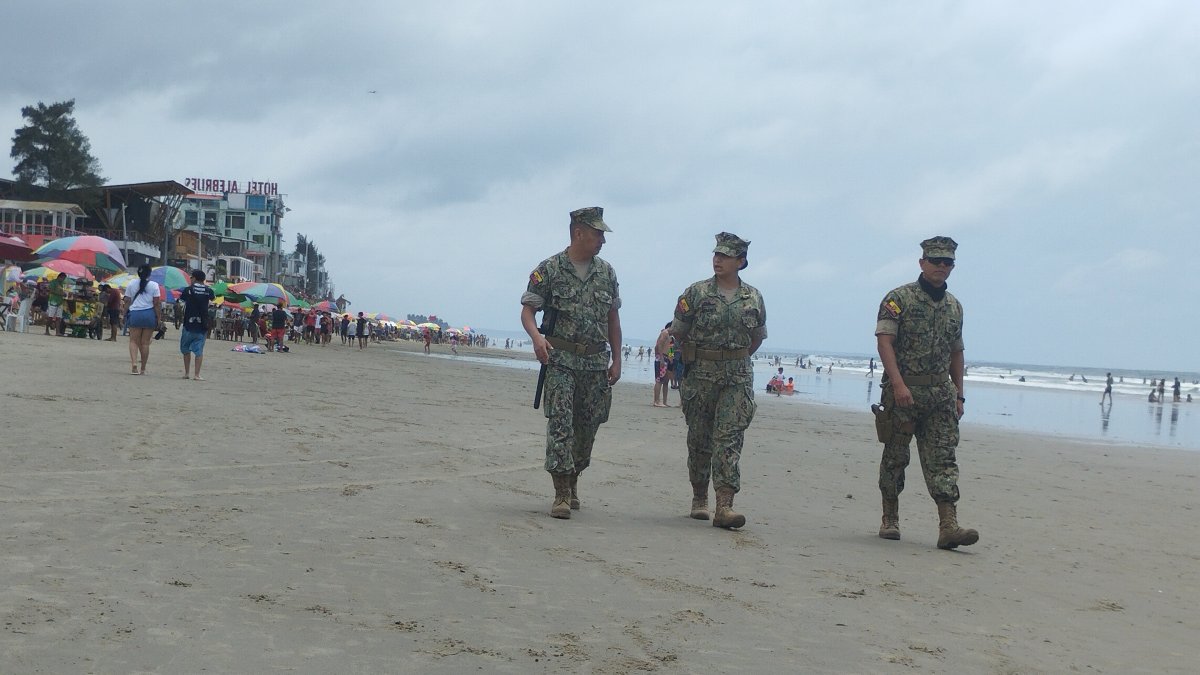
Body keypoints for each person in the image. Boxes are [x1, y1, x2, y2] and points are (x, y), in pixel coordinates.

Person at [873, 236, 978, 550]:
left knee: (943, 460)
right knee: (895, 457)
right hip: (904, 393)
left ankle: (949, 525)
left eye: (948, 262)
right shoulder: (899, 298)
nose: (942, 267)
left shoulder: (954, 307)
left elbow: (956, 352)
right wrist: (898, 384)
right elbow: (884, 342)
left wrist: (959, 395)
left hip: (940, 396)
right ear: (922, 263)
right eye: (936, 261)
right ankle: (889, 518)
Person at [520, 206, 621, 520]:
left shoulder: (607, 272)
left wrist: (617, 358)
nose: (603, 240)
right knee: (561, 425)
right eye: (598, 233)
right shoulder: (549, 269)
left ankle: (574, 477)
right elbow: (527, 311)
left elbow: (613, 319)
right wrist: (537, 338)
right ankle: (561, 492)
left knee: (587, 429)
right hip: (561, 360)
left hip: (595, 362)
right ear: (579, 233)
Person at [670, 232, 766, 529]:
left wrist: (733, 358)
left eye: (725, 256)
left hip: (736, 378)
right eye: (716, 254)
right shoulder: (696, 293)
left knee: (729, 440)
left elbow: (757, 338)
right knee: (700, 440)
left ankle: (724, 505)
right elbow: (678, 332)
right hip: (700, 376)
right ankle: (700, 497)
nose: (718, 260)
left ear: (741, 261)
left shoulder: (753, 297)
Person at [123, 264, 162, 375]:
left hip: (135, 314)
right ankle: (143, 368)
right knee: (145, 343)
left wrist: (124, 314)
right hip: (149, 314)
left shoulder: (131, 284)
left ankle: (134, 364)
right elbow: (156, 304)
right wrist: (158, 319)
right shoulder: (154, 285)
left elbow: (127, 301)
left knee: (133, 341)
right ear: (149, 274)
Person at [178, 269, 216, 380]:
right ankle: (197, 374)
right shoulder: (208, 291)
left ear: (194, 278)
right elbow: (212, 299)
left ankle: (186, 373)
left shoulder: (188, 290)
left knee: (186, 349)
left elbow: (181, 301)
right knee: (199, 351)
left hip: (188, 323)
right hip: (202, 324)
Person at [653, 322, 672, 407]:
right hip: (662, 357)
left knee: (665, 381)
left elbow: (671, 347)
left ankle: (664, 401)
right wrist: (661, 358)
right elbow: (658, 345)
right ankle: (656, 401)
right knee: (659, 380)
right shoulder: (665, 333)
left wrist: (671, 358)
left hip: (667, 358)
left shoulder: (671, 336)